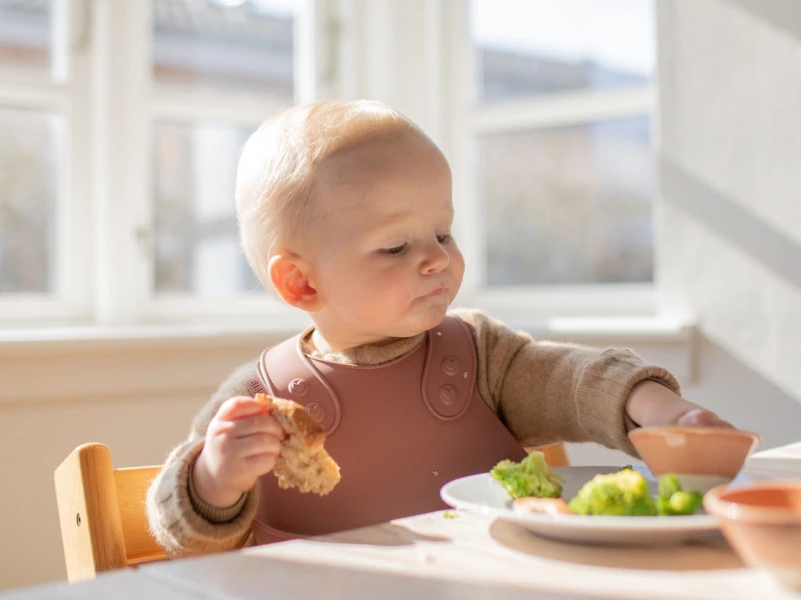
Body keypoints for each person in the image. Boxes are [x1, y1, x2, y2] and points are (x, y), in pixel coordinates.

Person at [146, 99, 732, 557]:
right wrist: (213, 480)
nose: (436, 259)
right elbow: (184, 540)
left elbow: (573, 380)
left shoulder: (480, 355)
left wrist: (654, 407)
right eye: (396, 246)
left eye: (443, 233)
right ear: (301, 283)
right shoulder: (258, 399)